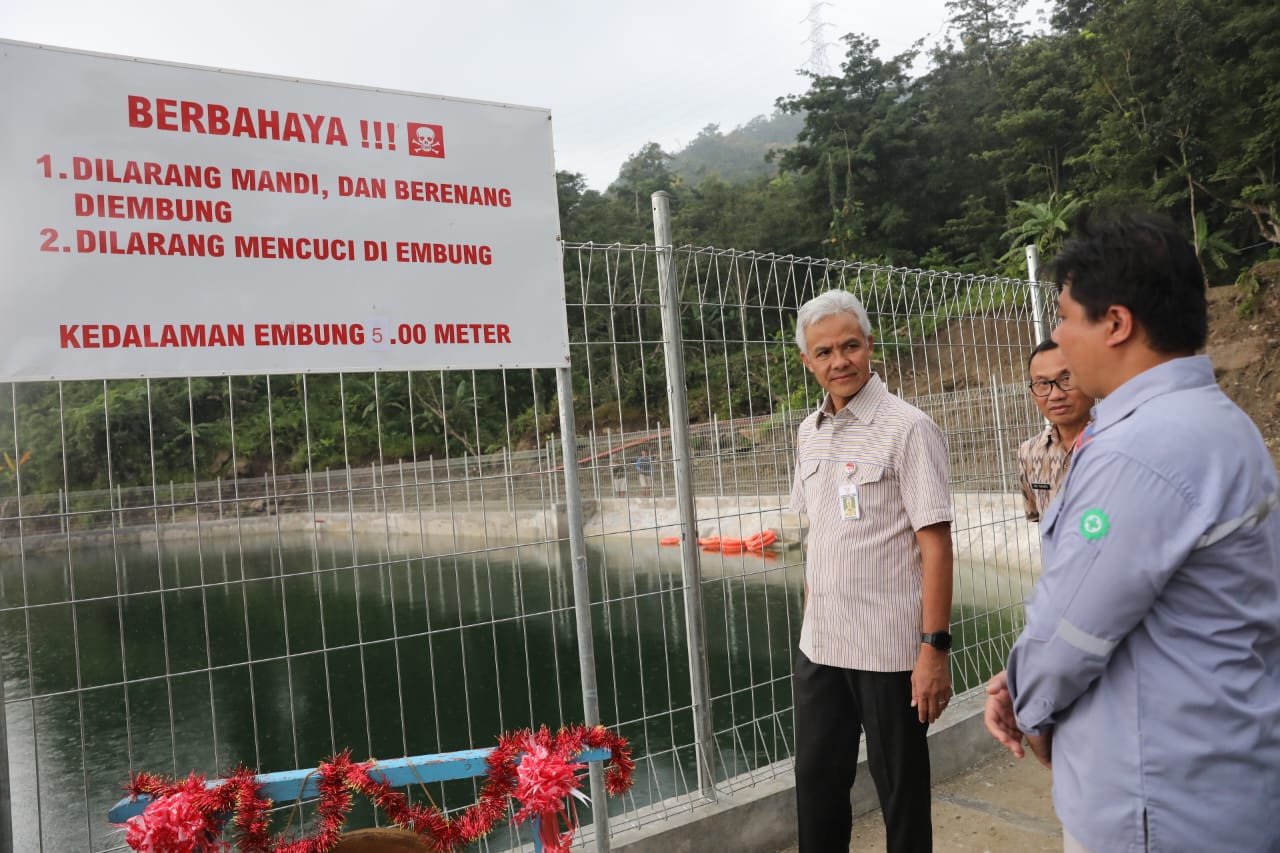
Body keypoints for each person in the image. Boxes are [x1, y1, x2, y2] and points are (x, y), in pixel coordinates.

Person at [983, 211, 1280, 853]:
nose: (1056, 336)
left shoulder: (1137, 450)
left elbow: (1073, 632)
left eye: (1063, 317)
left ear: (1116, 323)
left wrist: (1029, 703)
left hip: (1158, 804)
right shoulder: (1217, 424)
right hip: (1214, 775)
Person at [789, 289, 955, 853]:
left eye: (850, 346)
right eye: (825, 351)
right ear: (807, 362)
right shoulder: (807, 433)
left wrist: (933, 649)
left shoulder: (908, 428)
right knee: (816, 784)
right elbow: (820, 533)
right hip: (822, 646)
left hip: (890, 651)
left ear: (870, 347)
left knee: (901, 796)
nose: (840, 362)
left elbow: (935, 544)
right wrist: (812, 612)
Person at [1017, 339, 1095, 522]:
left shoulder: (1118, 441)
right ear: (1032, 392)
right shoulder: (1029, 452)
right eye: (1042, 383)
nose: (1056, 395)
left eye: (1066, 379)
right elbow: (1036, 517)